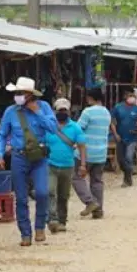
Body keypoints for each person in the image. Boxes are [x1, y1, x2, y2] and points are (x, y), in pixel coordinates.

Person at [0, 78, 59, 246]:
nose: (17, 96)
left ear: (30, 95)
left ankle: (40, 227)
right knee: (21, 198)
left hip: (40, 157)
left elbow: (53, 128)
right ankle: (25, 233)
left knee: (42, 193)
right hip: (19, 157)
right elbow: (2, 134)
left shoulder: (44, 107)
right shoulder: (11, 111)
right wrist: (0, 154)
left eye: (20, 93)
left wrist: (37, 112)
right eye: (16, 93)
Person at [45, 98, 87, 234]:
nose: (62, 113)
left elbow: (82, 146)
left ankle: (62, 221)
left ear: (68, 112)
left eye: (64, 110)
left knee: (63, 195)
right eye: (59, 110)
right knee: (50, 191)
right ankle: (52, 219)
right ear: (54, 111)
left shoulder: (75, 127)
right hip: (50, 164)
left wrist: (83, 165)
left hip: (68, 166)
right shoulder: (49, 126)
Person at [73, 87, 111, 219]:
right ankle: (98, 210)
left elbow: (77, 129)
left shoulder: (87, 112)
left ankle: (90, 202)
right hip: (101, 153)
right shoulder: (106, 112)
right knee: (97, 181)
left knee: (76, 177)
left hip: (85, 153)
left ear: (91, 97)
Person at [111, 91, 137, 187]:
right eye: (130, 96)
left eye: (134, 96)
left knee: (129, 157)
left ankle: (127, 179)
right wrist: (115, 134)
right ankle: (129, 172)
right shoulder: (118, 108)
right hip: (120, 137)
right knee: (120, 160)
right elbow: (112, 121)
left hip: (132, 137)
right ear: (125, 97)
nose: (132, 98)